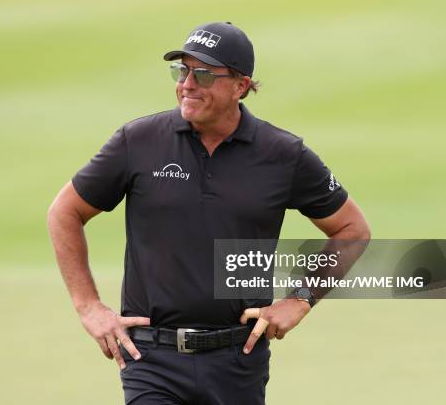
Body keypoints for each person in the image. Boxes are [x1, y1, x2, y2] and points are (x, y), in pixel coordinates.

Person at [48, 21, 370, 405]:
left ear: (241, 85)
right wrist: (89, 307)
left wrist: (299, 299)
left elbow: (352, 229)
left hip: (237, 361)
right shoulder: (138, 141)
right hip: (152, 359)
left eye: (202, 73)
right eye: (182, 71)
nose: (187, 83)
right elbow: (65, 211)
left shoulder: (283, 155)